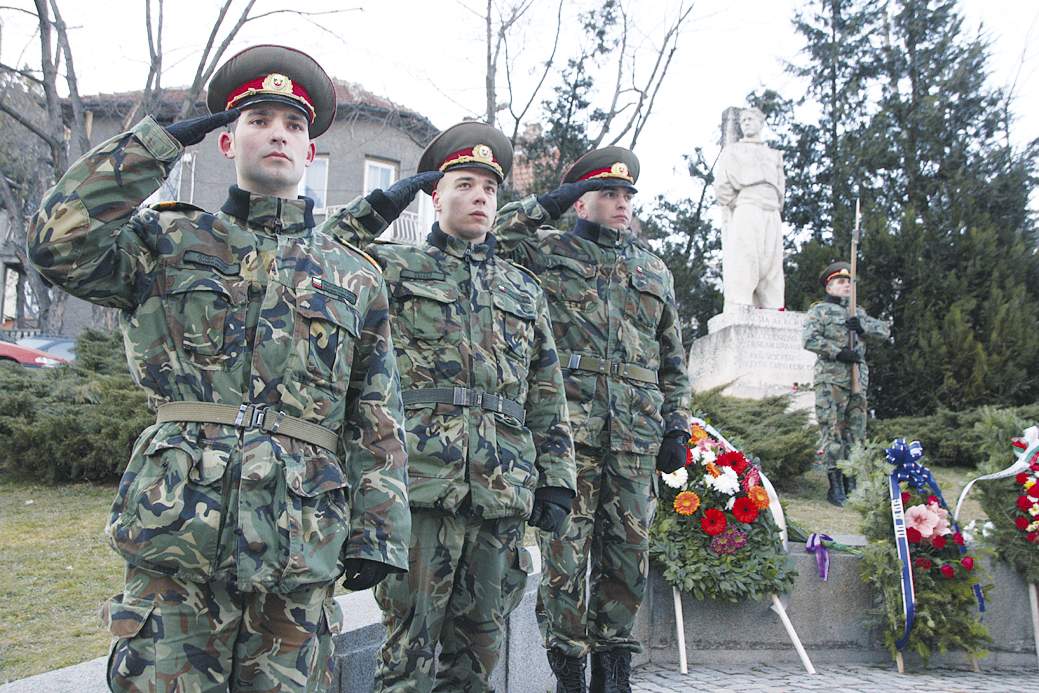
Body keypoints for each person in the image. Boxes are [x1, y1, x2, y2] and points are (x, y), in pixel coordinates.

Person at [26, 45, 412, 693]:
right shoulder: (165, 243)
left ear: (310, 153)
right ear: (225, 141)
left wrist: (379, 529)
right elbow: (55, 242)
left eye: (293, 125)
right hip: (176, 536)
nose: (278, 134)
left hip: (298, 545)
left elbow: (376, 415)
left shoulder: (352, 275)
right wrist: (151, 146)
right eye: (258, 119)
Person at [322, 121, 577, 693]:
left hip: (501, 492)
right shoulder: (393, 268)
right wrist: (387, 199)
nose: (480, 196)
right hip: (417, 488)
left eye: (489, 187)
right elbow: (326, 249)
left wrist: (557, 480)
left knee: (477, 656)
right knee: (406, 653)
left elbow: (546, 390)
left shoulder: (523, 289)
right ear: (436, 195)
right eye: (463, 184)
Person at [493, 147, 692, 693]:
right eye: (609, 193)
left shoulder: (653, 269)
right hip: (569, 438)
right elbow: (493, 238)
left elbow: (673, 359)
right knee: (565, 562)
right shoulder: (545, 250)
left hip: (635, 439)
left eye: (627, 195)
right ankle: (567, 675)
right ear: (580, 201)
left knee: (627, 561)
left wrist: (677, 424)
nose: (622, 203)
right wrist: (546, 203)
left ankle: (614, 672)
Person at [803, 261, 890, 507]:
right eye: (841, 282)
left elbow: (884, 332)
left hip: (857, 380)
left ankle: (853, 483)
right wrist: (839, 353)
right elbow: (809, 339)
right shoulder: (818, 311)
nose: (847, 286)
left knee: (856, 432)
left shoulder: (857, 312)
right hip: (831, 380)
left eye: (849, 282)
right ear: (829, 286)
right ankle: (836, 486)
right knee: (832, 430)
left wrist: (863, 328)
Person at [713, 106, 786, 310]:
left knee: (772, 262)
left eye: (751, 119)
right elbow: (722, 185)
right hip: (747, 206)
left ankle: (774, 305)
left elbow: (781, 188)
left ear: (761, 123)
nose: (747, 122)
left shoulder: (774, 155)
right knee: (745, 258)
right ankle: (739, 304)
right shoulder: (733, 150)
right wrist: (740, 204)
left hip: (771, 208)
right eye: (743, 119)